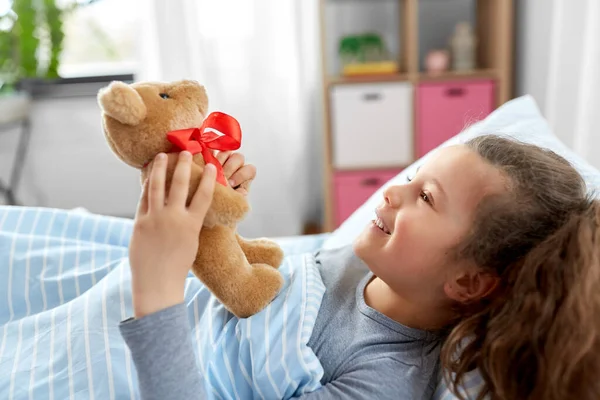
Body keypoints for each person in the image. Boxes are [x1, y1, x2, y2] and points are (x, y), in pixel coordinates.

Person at [118, 135, 600, 400]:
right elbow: (259, 289)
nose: (392, 191)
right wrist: (216, 218)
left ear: (470, 281)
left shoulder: (386, 378)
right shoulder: (368, 260)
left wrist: (156, 286)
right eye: (414, 178)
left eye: (426, 199)